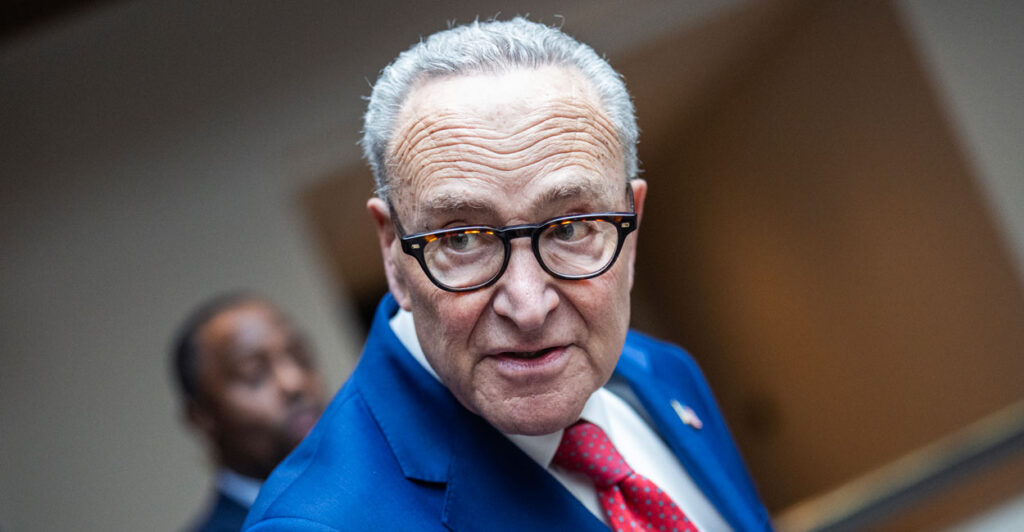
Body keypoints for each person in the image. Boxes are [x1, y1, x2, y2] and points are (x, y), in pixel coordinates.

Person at [245, 17, 771, 531]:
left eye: (570, 228)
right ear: (392, 253)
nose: (527, 306)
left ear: (631, 227)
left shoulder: (663, 373)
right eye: (461, 239)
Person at [172, 293, 327, 532]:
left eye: (300, 356)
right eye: (254, 373)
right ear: (202, 417)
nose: (294, 382)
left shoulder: (386, 482)